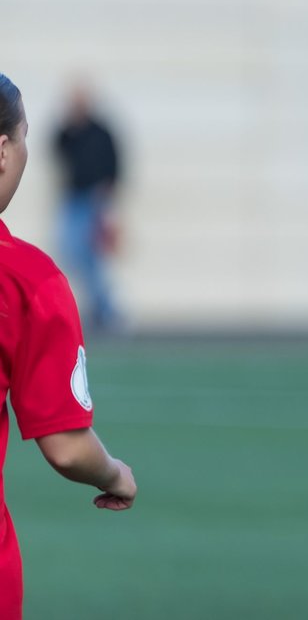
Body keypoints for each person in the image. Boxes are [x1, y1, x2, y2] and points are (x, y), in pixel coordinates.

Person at [0, 74, 137, 618]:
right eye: (25, 136)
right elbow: (66, 446)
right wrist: (116, 473)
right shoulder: (26, 281)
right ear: (2, 149)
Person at [54, 84, 122, 333]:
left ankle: (106, 310)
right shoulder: (70, 132)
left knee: (93, 259)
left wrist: (108, 193)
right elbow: (57, 147)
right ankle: (97, 308)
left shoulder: (100, 132)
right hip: (73, 198)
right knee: (71, 253)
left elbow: (114, 162)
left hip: (94, 200)